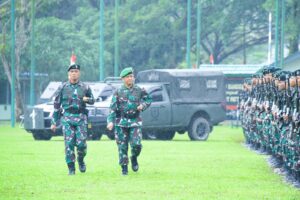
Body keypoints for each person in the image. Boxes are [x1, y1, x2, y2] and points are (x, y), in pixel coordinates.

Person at [50, 64, 95, 175]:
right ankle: (71, 168)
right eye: (72, 71)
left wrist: (87, 99)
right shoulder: (62, 87)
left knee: (81, 144)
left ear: (79, 73)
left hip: (81, 118)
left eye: (76, 71)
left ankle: (80, 160)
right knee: (69, 144)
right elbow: (56, 105)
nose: (74, 73)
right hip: (67, 118)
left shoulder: (85, 87)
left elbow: (93, 100)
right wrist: (54, 122)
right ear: (68, 74)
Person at [107, 67, 152, 175]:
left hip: (135, 121)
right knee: (122, 146)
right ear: (123, 79)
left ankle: (134, 157)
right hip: (121, 122)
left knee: (136, 144)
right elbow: (112, 108)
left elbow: (148, 99)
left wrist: (143, 105)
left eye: (131, 76)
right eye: (128, 77)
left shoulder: (139, 90)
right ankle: (124, 168)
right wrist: (110, 121)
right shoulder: (118, 92)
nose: (130, 78)